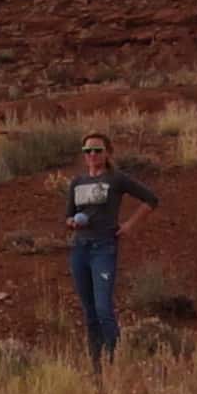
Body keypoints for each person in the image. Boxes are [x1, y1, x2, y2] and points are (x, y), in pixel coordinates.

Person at [60, 129, 166, 357]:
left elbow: (151, 199)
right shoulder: (77, 182)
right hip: (80, 248)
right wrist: (73, 223)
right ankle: (97, 363)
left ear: (107, 153)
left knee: (103, 309)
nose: (92, 154)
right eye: (87, 151)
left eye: (97, 150)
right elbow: (69, 216)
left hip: (103, 248)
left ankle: (117, 357)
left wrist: (129, 225)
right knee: (89, 311)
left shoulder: (116, 179)